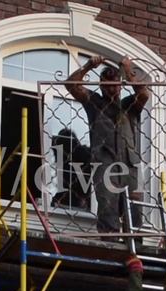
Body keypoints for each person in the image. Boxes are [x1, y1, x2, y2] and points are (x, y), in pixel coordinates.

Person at [65, 55, 149, 235]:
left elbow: (144, 94)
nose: (112, 89)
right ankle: (112, 244)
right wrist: (88, 66)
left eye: (116, 84)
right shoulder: (93, 103)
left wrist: (129, 71)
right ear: (101, 86)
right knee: (108, 209)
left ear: (121, 85)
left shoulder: (129, 105)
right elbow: (71, 85)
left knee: (134, 211)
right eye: (107, 85)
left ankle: (135, 249)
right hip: (105, 163)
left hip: (130, 164)